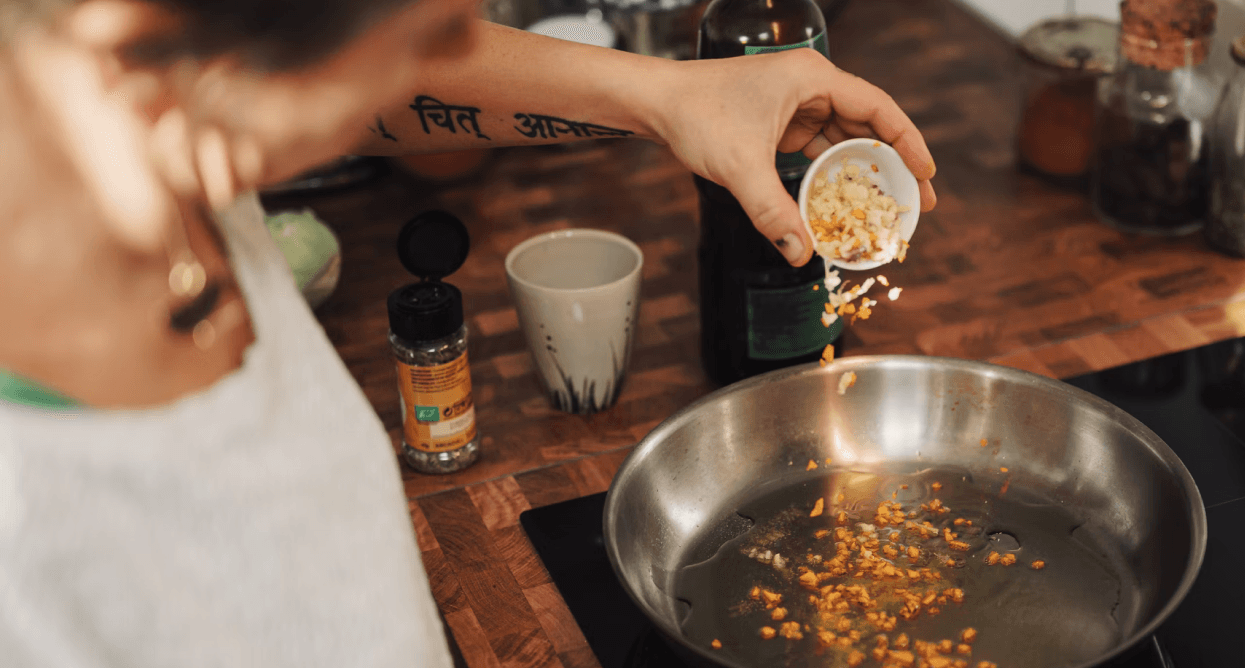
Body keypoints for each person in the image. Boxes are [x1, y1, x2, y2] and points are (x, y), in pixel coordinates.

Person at [0, 0, 936, 665]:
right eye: (428, 29)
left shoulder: (155, 138)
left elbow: (379, 74)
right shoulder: (30, 530)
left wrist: (667, 95)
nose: (449, 49)